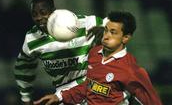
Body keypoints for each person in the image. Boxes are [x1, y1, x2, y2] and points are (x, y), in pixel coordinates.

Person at [33, 11, 162, 105]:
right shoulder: (94, 54)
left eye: (113, 32)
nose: (106, 36)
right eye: (106, 30)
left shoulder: (131, 70)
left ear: (126, 38)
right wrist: (60, 97)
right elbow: (89, 85)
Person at [14, 0, 104, 105]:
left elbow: (114, 24)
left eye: (43, 13)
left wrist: (105, 28)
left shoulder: (80, 23)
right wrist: (26, 98)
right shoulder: (32, 39)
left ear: (53, 11)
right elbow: (22, 68)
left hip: (90, 86)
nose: (38, 18)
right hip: (63, 94)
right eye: (34, 14)